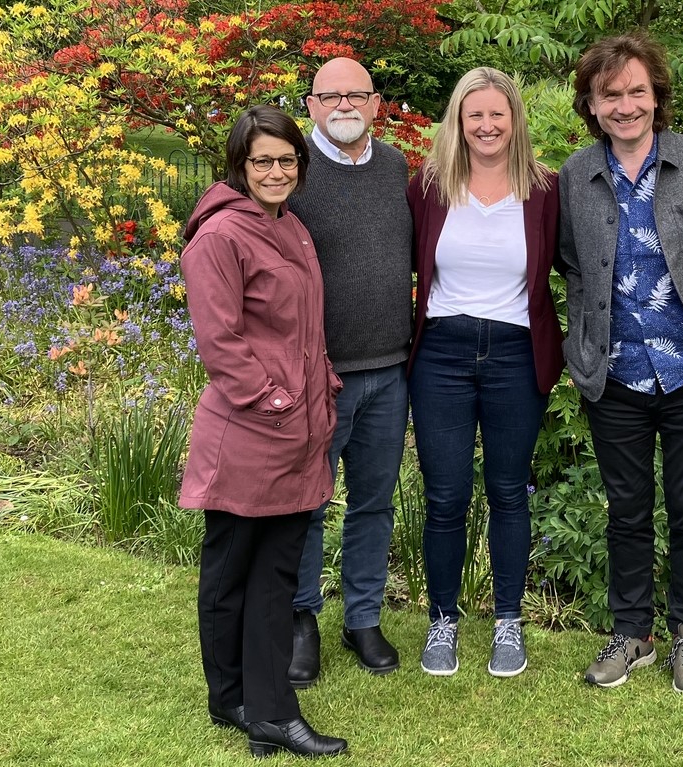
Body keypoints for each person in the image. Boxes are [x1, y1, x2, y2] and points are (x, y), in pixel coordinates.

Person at [558, 33, 683, 695]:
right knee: (627, 510)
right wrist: (579, 348)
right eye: (609, 94)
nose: (624, 105)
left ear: (657, 96)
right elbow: (574, 270)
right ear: (591, 102)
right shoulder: (576, 175)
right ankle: (632, 633)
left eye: (636, 91)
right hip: (614, 376)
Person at [178, 104, 347, 757]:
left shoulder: (290, 227)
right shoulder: (221, 237)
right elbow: (220, 341)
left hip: (295, 427)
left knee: (263, 571)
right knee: (235, 570)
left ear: (299, 168)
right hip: (253, 430)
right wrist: (274, 398)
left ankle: (238, 699)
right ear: (240, 166)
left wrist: (319, 383)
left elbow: (301, 327)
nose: (275, 171)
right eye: (262, 161)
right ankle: (266, 710)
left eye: (286, 160)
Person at [406, 67, 563, 678]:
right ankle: (442, 620)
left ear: (515, 119)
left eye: (498, 114)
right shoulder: (430, 185)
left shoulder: (544, 189)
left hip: (515, 354)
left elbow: (575, 264)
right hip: (442, 354)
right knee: (444, 495)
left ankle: (507, 622)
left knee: (507, 492)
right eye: (476, 115)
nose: (487, 125)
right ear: (459, 120)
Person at [286, 57, 414, 687]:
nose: (343, 104)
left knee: (373, 503)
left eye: (355, 94)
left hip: (390, 370)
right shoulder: (292, 173)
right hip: (321, 373)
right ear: (310, 105)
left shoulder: (396, 169)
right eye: (329, 94)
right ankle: (300, 616)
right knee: (308, 502)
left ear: (375, 103)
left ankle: (362, 616)